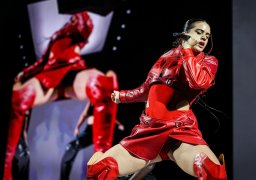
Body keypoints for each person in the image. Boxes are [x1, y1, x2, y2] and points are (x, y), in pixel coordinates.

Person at [86, 18, 227, 180]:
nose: (204, 38)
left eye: (207, 35)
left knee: (212, 173)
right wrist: (122, 96)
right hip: (148, 131)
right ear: (185, 33)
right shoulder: (166, 57)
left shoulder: (208, 61)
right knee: (100, 170)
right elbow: (146, 89)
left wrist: (187, 50)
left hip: (180, 132)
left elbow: (197, 82)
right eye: (199, 32)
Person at [4, 11, 118, 180]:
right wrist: (25, 73)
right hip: (49, 73)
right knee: (20, 97)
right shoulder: (55, 38)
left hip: (73, 69)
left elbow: (86, 24)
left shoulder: (82, 25)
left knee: (103, 84)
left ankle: (103, 170)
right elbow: (42, 61)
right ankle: (5, 172)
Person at [60, 99, 125, 180]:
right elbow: (84, 114)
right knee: (71, 147)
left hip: (101, 131)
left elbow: (111, 116)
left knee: (107, 156)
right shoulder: (92, 100)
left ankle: (114, 176)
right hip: (89, 131)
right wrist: (77, 127)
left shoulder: (107, 100)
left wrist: (118, 125)